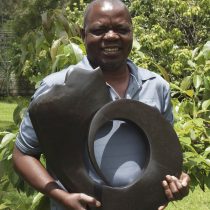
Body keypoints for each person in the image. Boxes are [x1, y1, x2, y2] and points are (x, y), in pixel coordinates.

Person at [12, 0, 190, 210]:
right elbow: (23, 154)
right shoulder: (57, 88)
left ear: (132, 32)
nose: (112, 36)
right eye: (100, 30)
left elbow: (165, 153)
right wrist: (61, 196)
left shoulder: (155, 86)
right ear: (82, 33)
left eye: (121, 29)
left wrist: (177, 182)